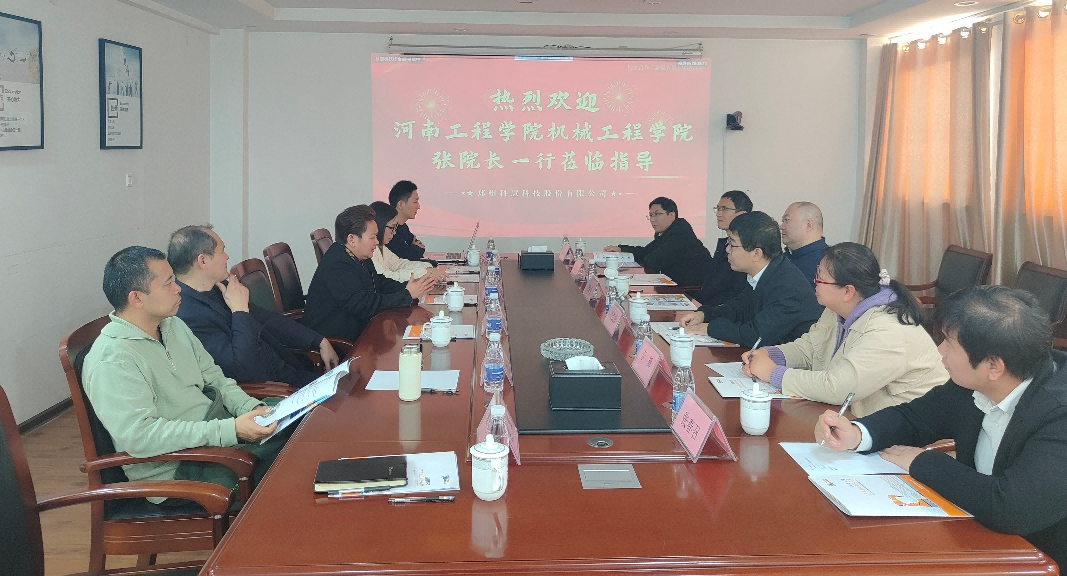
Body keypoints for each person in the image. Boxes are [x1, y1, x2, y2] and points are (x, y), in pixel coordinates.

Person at [816, 285, 1067, 567]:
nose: (940, 350)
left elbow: (1011, 507)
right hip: (975, 535)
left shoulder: (1059, 415)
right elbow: (916, 417)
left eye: (949, 342)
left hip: (1039, 556)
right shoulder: (973, 383)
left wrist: (923, 462)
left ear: (994, 366)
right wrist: (858, 433)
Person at [82, 246, 285, 502]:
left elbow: (216, 379)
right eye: (168, 283)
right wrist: (231, 430)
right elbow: (141, 437)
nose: (178, 288)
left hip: (214, 434)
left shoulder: (173, 326)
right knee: (291, 456)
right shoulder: (112, 359)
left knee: (293, 420)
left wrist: (249, 407)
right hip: (181, 468)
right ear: (137, 298)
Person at [742, 242, 947, 416]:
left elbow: (837, 388)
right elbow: (810, 347)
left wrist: (773, 373)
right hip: (854, 419)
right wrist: (771, 354)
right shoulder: (838, 308)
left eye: (820, 278)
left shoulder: (889, 330)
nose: (814, 283)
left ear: (848, 291)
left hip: (907, 436)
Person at [168, 224, 339, 389]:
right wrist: (240, 311)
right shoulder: (188, 315)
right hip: (271, 392)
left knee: (348, 381)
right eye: (222, 251)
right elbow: (240, 368)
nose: (227, 257)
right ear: (203, 260)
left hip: (289, 372)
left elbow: (267, 319)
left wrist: (318, 340)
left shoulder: (219, 288)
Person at [679, 211, 822, 347]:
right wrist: (704, 314)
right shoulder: (766, 271)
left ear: (756, 254)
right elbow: (739, 308)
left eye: (732, 244)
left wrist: (711, 328)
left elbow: (756, 335)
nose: (727, 249)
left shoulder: (788, 286)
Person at [303, 204, 435, 342]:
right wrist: (406, 295)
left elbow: (379, 283)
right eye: (372, 237)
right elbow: (364, 305)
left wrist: (408, 287)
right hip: (336, 341)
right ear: (352, 239)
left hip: (359, 330)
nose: (377, 242)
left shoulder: (357, 254)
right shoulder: (338, 264)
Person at [603, 196, 713, 287]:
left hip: (694, 291)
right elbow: (647, 251)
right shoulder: (669, 232)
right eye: (651, 215)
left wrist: (645, 256)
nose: (652, 219)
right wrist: (621, 248)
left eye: (657, 214)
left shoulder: (681, 236)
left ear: (672, 215)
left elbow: (653, 261)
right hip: (677, 285)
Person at [692, 190, 752, 307]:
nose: (718, 214)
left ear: (742, 214)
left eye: (724, 209)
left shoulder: (746, 248)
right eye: (718, 209)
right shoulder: (724, 244)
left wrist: (704, 309)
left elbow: (735, 292)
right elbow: (711, 284)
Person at [368, 201, 448, 283]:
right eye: (392, 227)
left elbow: (399, 264)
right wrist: (425, 272)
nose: (394, 232)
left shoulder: (382, 247)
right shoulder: (369, 250)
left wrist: (427, 268)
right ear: (379, 225)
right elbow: (387, 276)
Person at [780, 201, 828, 285]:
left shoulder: (828, 264)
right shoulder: (782, 259)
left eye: (787, 220)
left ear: (808, 225)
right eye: (783, 221)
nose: (781, 226)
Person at [386, 180, 426, 261]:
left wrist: (414, 248)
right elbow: (408, 256)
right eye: (415, 202)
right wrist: (414, 248)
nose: (418, 206)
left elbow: (420, 247)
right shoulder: (388, 231)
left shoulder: (403, 227)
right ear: (401, 204)